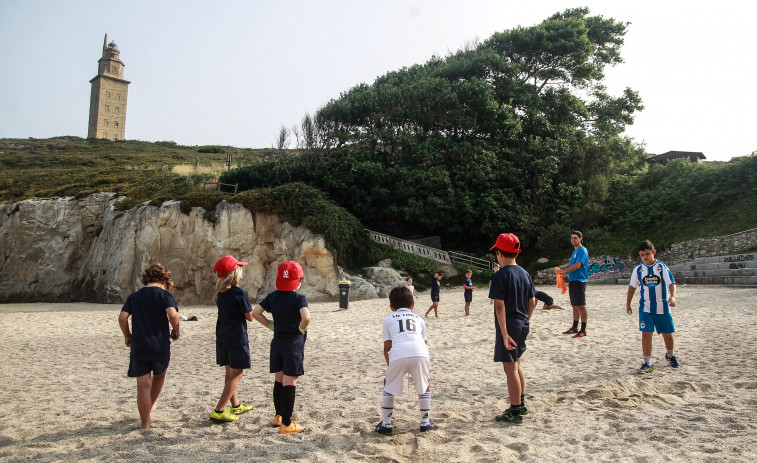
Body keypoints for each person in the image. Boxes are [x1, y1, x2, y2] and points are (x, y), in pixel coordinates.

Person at [251, 261, 312, 434]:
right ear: (298, 280)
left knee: (279, 378)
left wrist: (271, 325)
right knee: (290, 382)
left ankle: (278, 416)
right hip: (293, 345)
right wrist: (301, 329)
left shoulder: (272, 297)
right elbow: (306, 318)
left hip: (277, 343)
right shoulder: (299, 298)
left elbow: (255, 313)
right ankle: (286, 424)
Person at [118, 263, 180, 430]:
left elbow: (122, 317)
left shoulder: (134, 296)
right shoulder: (164, 295)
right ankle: (150, 405)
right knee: (159, 376)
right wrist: (176, 329)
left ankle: (145, 423)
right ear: (165, 280)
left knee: (143, 385)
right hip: (160, 343)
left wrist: (127, 335)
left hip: (139, 345)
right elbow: (173, 315)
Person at [488, 233, 536, 426]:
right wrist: (526, 319)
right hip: (523, 323)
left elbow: (499, 306)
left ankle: (515, 411)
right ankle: (521, 403)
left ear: (499, 254)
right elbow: (532, 301)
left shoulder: (500, 276)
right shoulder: (524, 273)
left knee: (510, 370)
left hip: (509, 325)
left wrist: (505, 333)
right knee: (517, 364)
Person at [375, 285, 434, 435]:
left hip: (398, 353)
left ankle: (386, 424)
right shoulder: (419, 319)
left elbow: (387, 347)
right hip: (420, 353)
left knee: (388, 386)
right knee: (424, 385)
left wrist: (391, 367)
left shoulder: (388, 319)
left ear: (391, 306)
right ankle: (425, 421)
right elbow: (425, 343)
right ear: (412, 305)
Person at [210, 255, 255, 423]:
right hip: (237, 337)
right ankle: (219, 410)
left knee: (229, 372)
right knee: (237, 373)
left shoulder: (221, 294)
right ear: (235, 273)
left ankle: (235, 405)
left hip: (223, 336)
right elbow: (249, 317)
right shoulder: (240, 293)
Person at [626, 240, 680, 374]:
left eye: (648, 254)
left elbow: (671, 283)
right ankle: (647, 362)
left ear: (654, 252)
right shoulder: (638, 270)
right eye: (642, 254)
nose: (645, 257)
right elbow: (632, 287)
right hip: (645, 308)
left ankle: (670, 355)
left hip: (662, 307)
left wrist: (672, 296)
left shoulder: (661, 267)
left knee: (667, 334)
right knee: (646, 334)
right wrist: (628, 304)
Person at [554, 231, 590, 338]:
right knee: (574, 305)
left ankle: (583, 330)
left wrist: (563, 271)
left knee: (581, 305)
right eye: (572, 238)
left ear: (580, 238)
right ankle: (575, 327)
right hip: (573, 280)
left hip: (580, 280)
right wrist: (561, 268)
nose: (573, 240)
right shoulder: (575, 252)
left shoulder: (582, 251)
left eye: (575, 238)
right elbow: (571, 263)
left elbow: (577, 266)